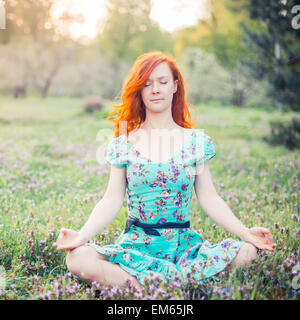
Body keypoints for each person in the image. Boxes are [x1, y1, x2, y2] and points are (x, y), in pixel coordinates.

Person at [52, 51, 277, 291]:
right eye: (147, 84)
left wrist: (245, 232)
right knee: (78, 259)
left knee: (248, 252)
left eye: (162, 81)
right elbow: (111, 199)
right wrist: (81, 236)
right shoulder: (122, 144)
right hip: (137, 246)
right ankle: (167, 287)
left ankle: (152, 287)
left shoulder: (196, 142)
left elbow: (209, 197)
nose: (155, 89)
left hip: (183, 247)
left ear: (175, 86)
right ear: (139, 90)